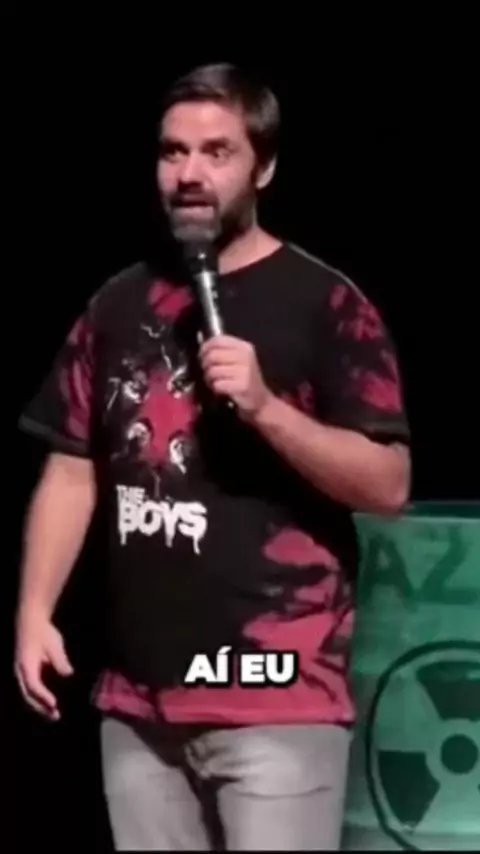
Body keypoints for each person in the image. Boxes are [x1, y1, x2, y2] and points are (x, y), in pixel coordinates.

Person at [14, 62, 411, 850]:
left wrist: (266, 408)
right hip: (139, 705)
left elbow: (388, 485)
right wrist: (32, 611)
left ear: (264, 168)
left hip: (277, 696)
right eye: (173, 152)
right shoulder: (118, 302)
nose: (189, 174)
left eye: (217, 152)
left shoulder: (327, 303)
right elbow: (71, 468)